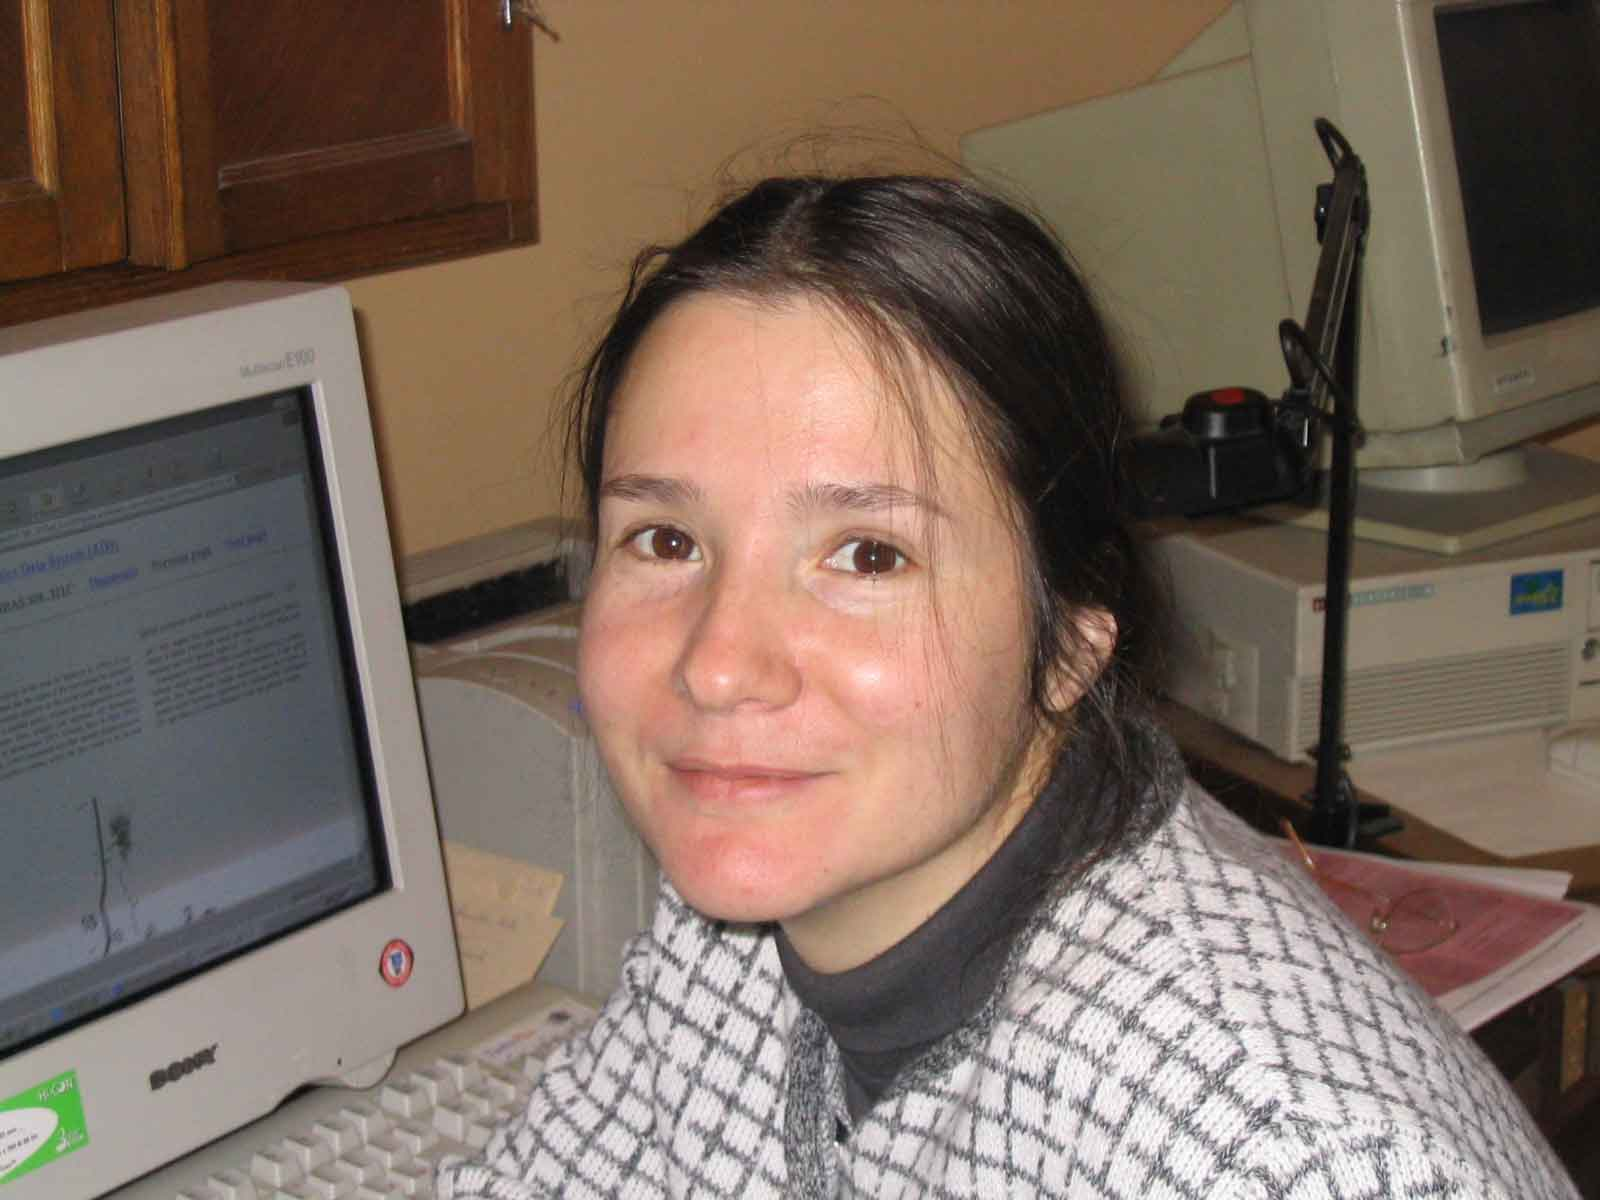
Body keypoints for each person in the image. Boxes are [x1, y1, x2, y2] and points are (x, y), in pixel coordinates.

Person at [437, 175, 1577, 1199]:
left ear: (1071, 640)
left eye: (868, 556)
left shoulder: (1275, 1159)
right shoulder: (744, 924)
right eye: (666, 540)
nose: (718, 664)